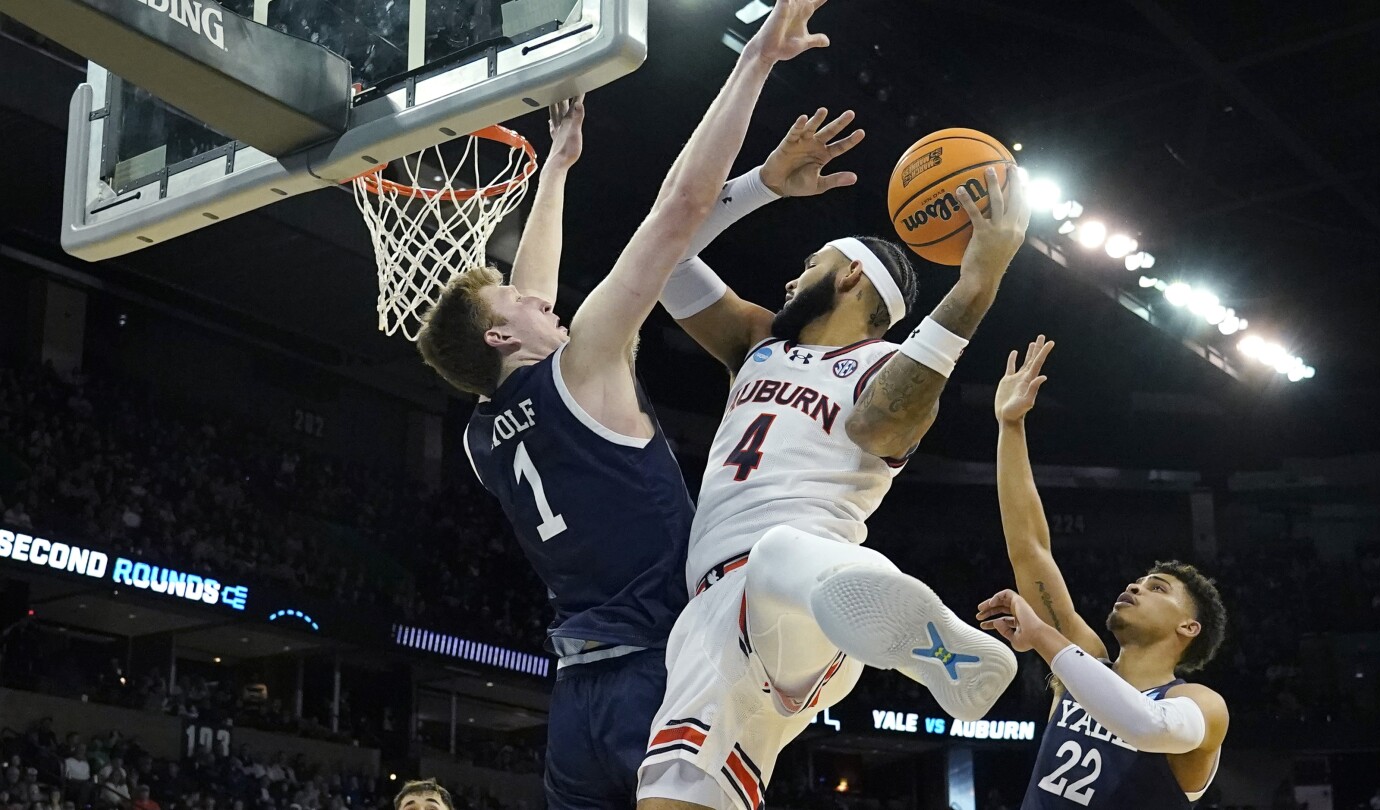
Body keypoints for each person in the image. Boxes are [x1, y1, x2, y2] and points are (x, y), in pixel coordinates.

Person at [412, 2, 836, 806]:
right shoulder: (584, 365)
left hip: (577, 701)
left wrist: (557, 172)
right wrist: (755, 64)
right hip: (661, 670)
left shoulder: (482, 433)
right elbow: (678, 210)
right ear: (503, 340)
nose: (546, 304)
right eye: (521, 306)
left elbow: (528, 295)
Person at [637, 78, 1032, 810]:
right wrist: (761, 184)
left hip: (803, 601)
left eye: (811, 264)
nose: (792, 276)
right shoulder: (754, 343)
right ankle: (898, 616)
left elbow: (879, 427)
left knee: (782, 551)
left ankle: (922, 633)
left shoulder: (891, 367)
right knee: (670, 798)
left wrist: (976, 286)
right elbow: (659, 250)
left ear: (851, 274)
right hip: (713, 614)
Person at [976, 336, 1230, 808]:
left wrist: (1045, 640)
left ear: (1188, 627)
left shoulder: (1202, 704)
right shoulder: (1084, 663)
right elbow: (1029, 549)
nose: (1135, 585)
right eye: (1138, 580)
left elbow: (1147, 725)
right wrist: (1010, 426)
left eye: (1157, 588)